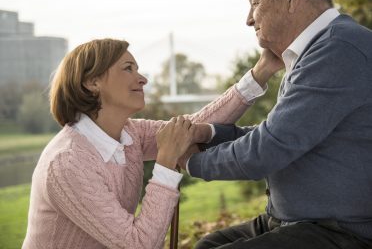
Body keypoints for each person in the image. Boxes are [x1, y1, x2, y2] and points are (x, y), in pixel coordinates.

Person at [21, 38, 282, 249]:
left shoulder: (129, 133)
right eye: (128, 68)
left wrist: (261, 71)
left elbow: (190, 128)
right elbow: (140, 244)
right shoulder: (68, 163)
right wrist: (166, 161)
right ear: (92, 82)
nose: (142, 78)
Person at [176, 0, 372, 248]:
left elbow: (268, 148)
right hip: (297, 220)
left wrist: (190, 162)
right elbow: (278, 132)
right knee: (206, 245)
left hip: (341, 231)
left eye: (254, 1)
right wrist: (209, 134)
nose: (248, 19)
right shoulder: (319, 48)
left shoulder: (338, 49)